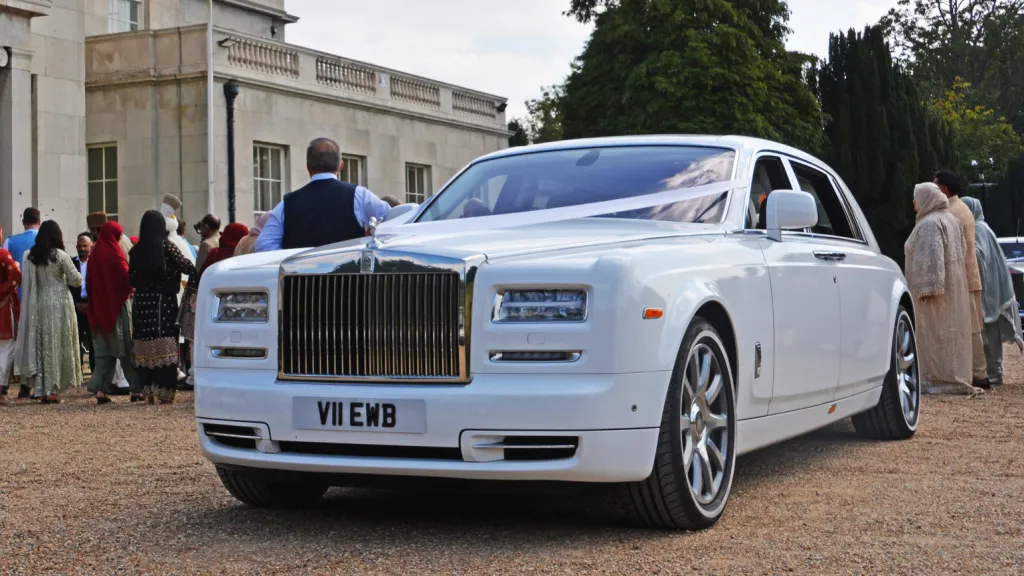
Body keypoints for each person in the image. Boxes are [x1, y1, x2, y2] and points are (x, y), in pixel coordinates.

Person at [904, 183, 979, 395]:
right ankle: (953, 376)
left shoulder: (930, 224)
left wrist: (927, 288)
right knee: (950, 333)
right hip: (953, 288)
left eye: (916, 197)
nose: (913, 202)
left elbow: (932, 259)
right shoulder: (950, 219)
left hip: (933, 294)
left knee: (935, 334)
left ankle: (937, 379)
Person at [255, 137, 391, 252]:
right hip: (349, 278)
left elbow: (264, 245)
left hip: (301, 279)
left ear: (308, 167)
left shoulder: (287, 204)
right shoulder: (361, 196)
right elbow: (395, 222)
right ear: (340, 166)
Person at [129, 210, 196, 405]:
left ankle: (148, 390)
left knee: (144, 346)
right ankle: (164, 393)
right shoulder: (167, 248)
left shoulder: (136, 250)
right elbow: (188, 267)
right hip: (162, 304)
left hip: (142, 305)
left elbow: (131, 278)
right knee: (165, 345)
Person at [13, 221, 83, 403]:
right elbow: (76, 280)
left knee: (43, 344)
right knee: (58, 343)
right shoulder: (60, 255)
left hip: (40, 302)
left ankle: (41, 388)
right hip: (60, 301)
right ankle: (54, 389)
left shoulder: (31, 256)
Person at [935, 170, 989, 389]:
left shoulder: (952, 211)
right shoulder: (961, 208)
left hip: (962, 278)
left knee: (970, 328)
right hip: (969, 276)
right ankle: (978, 372)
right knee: (973, 327)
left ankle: (978, 373)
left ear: (944, 190)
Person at [961, 197, 1024, 384]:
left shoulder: (979, 229)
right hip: (991, 288)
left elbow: (979, 255)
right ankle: (992, 372)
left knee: (989, 334)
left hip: (988, 290)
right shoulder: (982, 228)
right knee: (988, 333)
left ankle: (994, 373)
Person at [87, 222, 139, 404]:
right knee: (125, 348)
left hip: (99, 310)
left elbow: (89, 281)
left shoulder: (94, 255)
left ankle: (100, 390)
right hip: (117, 309)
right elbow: (126, 279)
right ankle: (136, 389)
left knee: (104, 352)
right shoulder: (115, 254)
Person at [0, 227, 21, 406]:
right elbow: (15, 275)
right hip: (3, 307)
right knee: (5, 349)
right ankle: (1, 388)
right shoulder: (3, 255)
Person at [4, 208, 41, 299]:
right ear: (39, 221)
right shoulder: (49, 241)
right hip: (41, 297)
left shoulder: (10, 241)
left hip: (17, 297)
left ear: (23, 222)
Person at [72, 232, 93, 373]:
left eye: (85, 246)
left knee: (93, 342)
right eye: (79, 246)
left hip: (91, 306)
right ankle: (77, 372)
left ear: (90, 246)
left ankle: (95, 371)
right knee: (76, 341)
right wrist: (76, 304)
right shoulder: (71, 263)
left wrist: (89, 304)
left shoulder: (95, 263)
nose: (82, 248)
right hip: (76, 306)